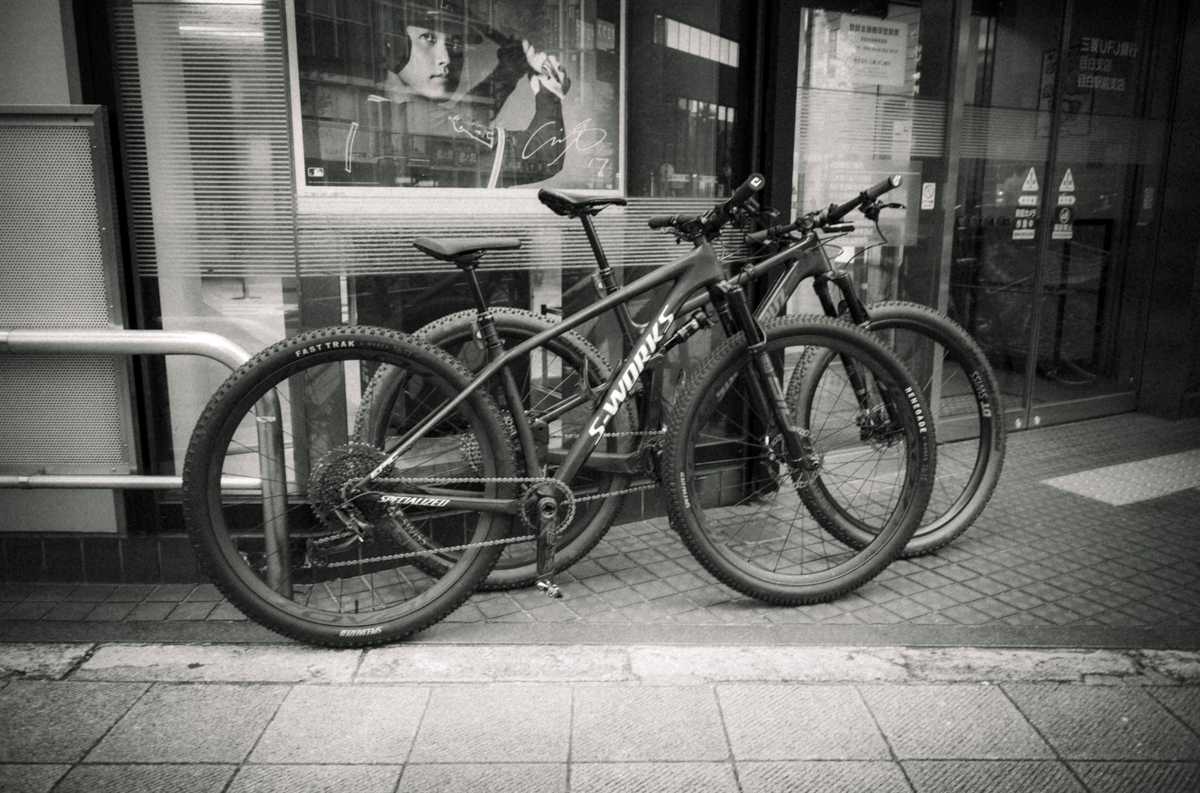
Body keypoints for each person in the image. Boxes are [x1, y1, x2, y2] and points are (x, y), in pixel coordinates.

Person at [340, 0, 571, 188]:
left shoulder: (375, 110)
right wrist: (550, 91)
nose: (446, 58)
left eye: (453, 43)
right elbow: (544, 156)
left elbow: (465, 121)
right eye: (429, 38)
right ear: (391, 46)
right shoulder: (423, 119)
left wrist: (509, 70)